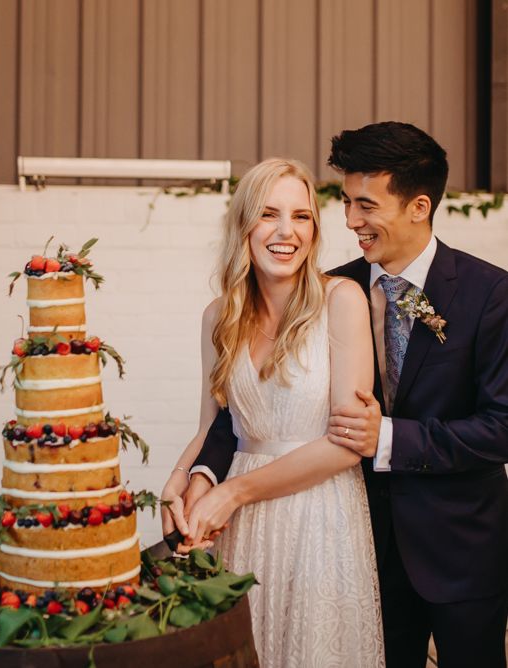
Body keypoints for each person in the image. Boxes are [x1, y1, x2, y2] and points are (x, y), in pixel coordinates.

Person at [178, 122, 508, 668]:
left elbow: (501, 426)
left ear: (418, 207)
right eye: (346, 203)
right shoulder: (331, 290)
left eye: (364, 205)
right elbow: (238, 410)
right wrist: (197, 474)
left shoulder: (489, 293)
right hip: (357, 546)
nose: (351, 220)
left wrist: (393, 438)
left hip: (461, 550)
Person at [160, 157, 385, 667]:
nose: (287, 231)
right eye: (269, 214)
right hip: (239, 527)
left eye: (302, 217)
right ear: (244, 224)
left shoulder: (341, 300)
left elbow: (346, 445)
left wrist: (231, 494)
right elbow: (211, 428)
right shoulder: (219, 316)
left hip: (320, 514)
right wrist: (183, 483)